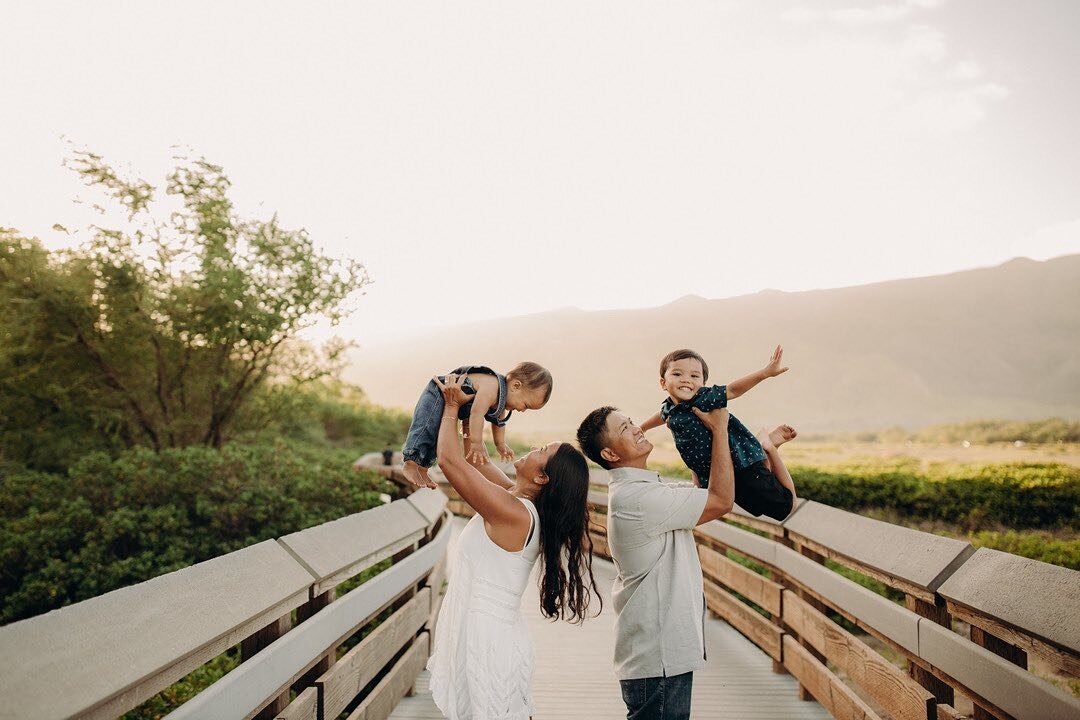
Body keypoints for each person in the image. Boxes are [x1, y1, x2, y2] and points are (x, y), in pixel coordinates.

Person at [428, 374, 601, 720]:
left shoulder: (515, 513)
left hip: (488, 639)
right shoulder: (515, 499)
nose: (533, 448)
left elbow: (450, 464)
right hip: (488, 629)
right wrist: (472, 415)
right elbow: (473, 459)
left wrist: (449, 406)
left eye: (541, 452)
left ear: (542, 478)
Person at [577, 403, 734, 720]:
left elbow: (700, 492)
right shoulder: (638, 498)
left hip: (657, 654)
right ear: (609, 455)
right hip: (658, 656)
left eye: (631, 421)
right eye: (624, 428)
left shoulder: (642, 489)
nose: (637, 427)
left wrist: (694, 436)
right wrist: (719, 430)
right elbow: (720, 501)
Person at [639, 346, 798, 521]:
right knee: (756, 508)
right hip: (717, 474)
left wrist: (765, 373)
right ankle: (765, 447)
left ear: (703, 383)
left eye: (694, 376)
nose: (686, 380)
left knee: (786, 508)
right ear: (663, 382)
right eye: (677, 374)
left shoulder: (704, 398)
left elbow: (733, 390)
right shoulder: (669, 408)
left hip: (740, 463)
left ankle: (769, 447)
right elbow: (660, 417)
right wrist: (643, 428)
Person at [401, 362, 553, 489]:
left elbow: (499, 424)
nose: (522, 410)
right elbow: (476, 413)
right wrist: (476, 443)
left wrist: (500, 445)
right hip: (440, 391)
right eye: (525, 405)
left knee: (438, 436)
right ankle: (410, 461)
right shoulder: (491, 388)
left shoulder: (502, 403)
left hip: (454, 401)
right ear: (515, 386)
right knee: (427, 427)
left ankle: (423, 468)